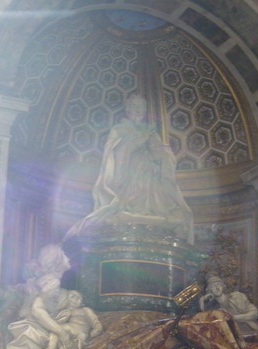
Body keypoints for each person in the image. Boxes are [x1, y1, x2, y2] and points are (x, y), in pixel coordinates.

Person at [65, 94, 194, 242]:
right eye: (134, 106)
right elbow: (113, 155)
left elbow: (162, 157)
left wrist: (158, 152)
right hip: (127, 178)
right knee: (131, 192)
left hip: (150, 181)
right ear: (127, 109)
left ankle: (150, 210)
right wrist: (136, 143)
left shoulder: (151, 132)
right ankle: (128, 207)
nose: (138, 110)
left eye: (141, 107)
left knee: (155, 192)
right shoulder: (119, 130)